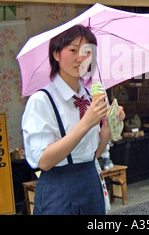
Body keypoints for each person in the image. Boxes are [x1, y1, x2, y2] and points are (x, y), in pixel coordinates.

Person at [22, 25, 125, 215]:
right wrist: (86, 122)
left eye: (87, 52)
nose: (81, 57)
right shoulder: (42, 100)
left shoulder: (90, 97)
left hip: (90, 182)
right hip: (58, 187)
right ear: (56, 54)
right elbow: (43, 161)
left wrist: (110, 126)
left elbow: (93, 153)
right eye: (73, 50)